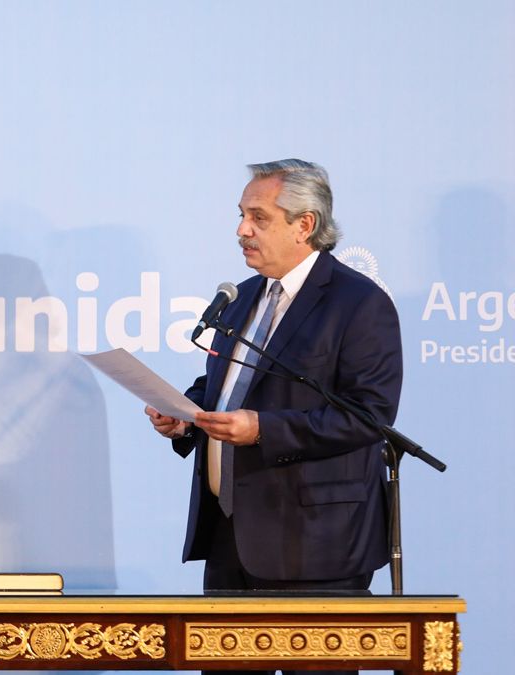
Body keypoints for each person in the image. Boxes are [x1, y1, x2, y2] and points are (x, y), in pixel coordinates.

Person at [145, 159, 401, 675]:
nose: (241, 230)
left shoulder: (358, 303)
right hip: (231, 536)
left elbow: (369, 417)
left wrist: (263, 429)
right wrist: (187, 416)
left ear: (304, 224)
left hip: (316, 545)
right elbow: (228, 387)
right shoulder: (240, 301)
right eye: (241, 215)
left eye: (258, 217)